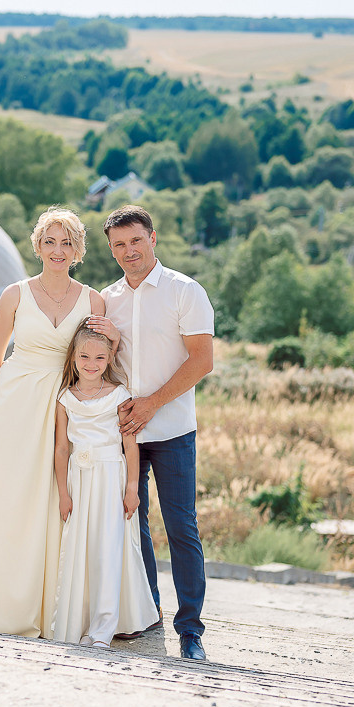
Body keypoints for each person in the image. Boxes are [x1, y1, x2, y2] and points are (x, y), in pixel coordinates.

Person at [0, 207, 121, 638]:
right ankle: (5, 610)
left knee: (56, 505)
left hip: (64, 409)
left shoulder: (94, 300)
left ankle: (54, 613)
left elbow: (103, 356)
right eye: (50, 241)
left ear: (77, 250)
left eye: (66, 242)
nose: (57, 249)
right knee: (11, 502)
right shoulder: (13, 295)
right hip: (13, 405)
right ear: (38, 246)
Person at [100, 205, 214, 661]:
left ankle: (190, 630)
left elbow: (202, 361)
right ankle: (148, 613)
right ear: (111, 250)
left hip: (171, 429)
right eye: (119, 245)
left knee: (182, 526)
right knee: (133, 524)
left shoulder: (185, 291)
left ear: (153, 238)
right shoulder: (106, 300)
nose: (129, 251)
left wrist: (151, 404)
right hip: (124, 432)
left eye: (136, 240)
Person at [52, 322, 160, 648]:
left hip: (110, 476)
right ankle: (78, 623)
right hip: (78, 479)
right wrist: (63, 493)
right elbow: (60, 448)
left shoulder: (120, 396)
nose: (91, 363)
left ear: (109, 359)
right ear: (73, 357)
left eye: (99, 358)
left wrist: (132, 488)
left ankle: (103, 628)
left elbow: (130, 445)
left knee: (109, 549)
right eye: (83, 356)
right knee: (80, 549)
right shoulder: (65, 399)